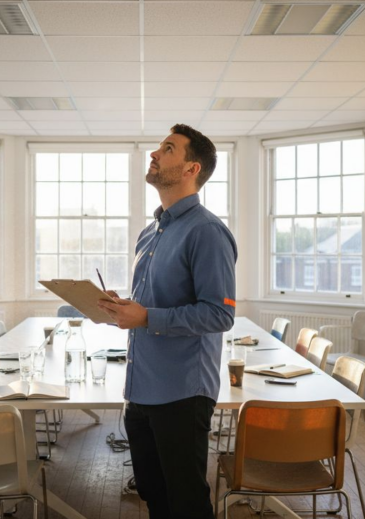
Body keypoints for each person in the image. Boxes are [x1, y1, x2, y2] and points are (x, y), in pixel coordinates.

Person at [98, 124, 237, 519]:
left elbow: (220, 313)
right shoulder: (150, 232)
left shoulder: (207, 232)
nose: (155, 154)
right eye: (159, 147)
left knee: (187, 504)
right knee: (154, 496)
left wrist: (146, 316)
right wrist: (122, 307)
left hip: (182, 394)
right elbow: (150, 306)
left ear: (192, 168)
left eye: (168, 149)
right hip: (141, 390)